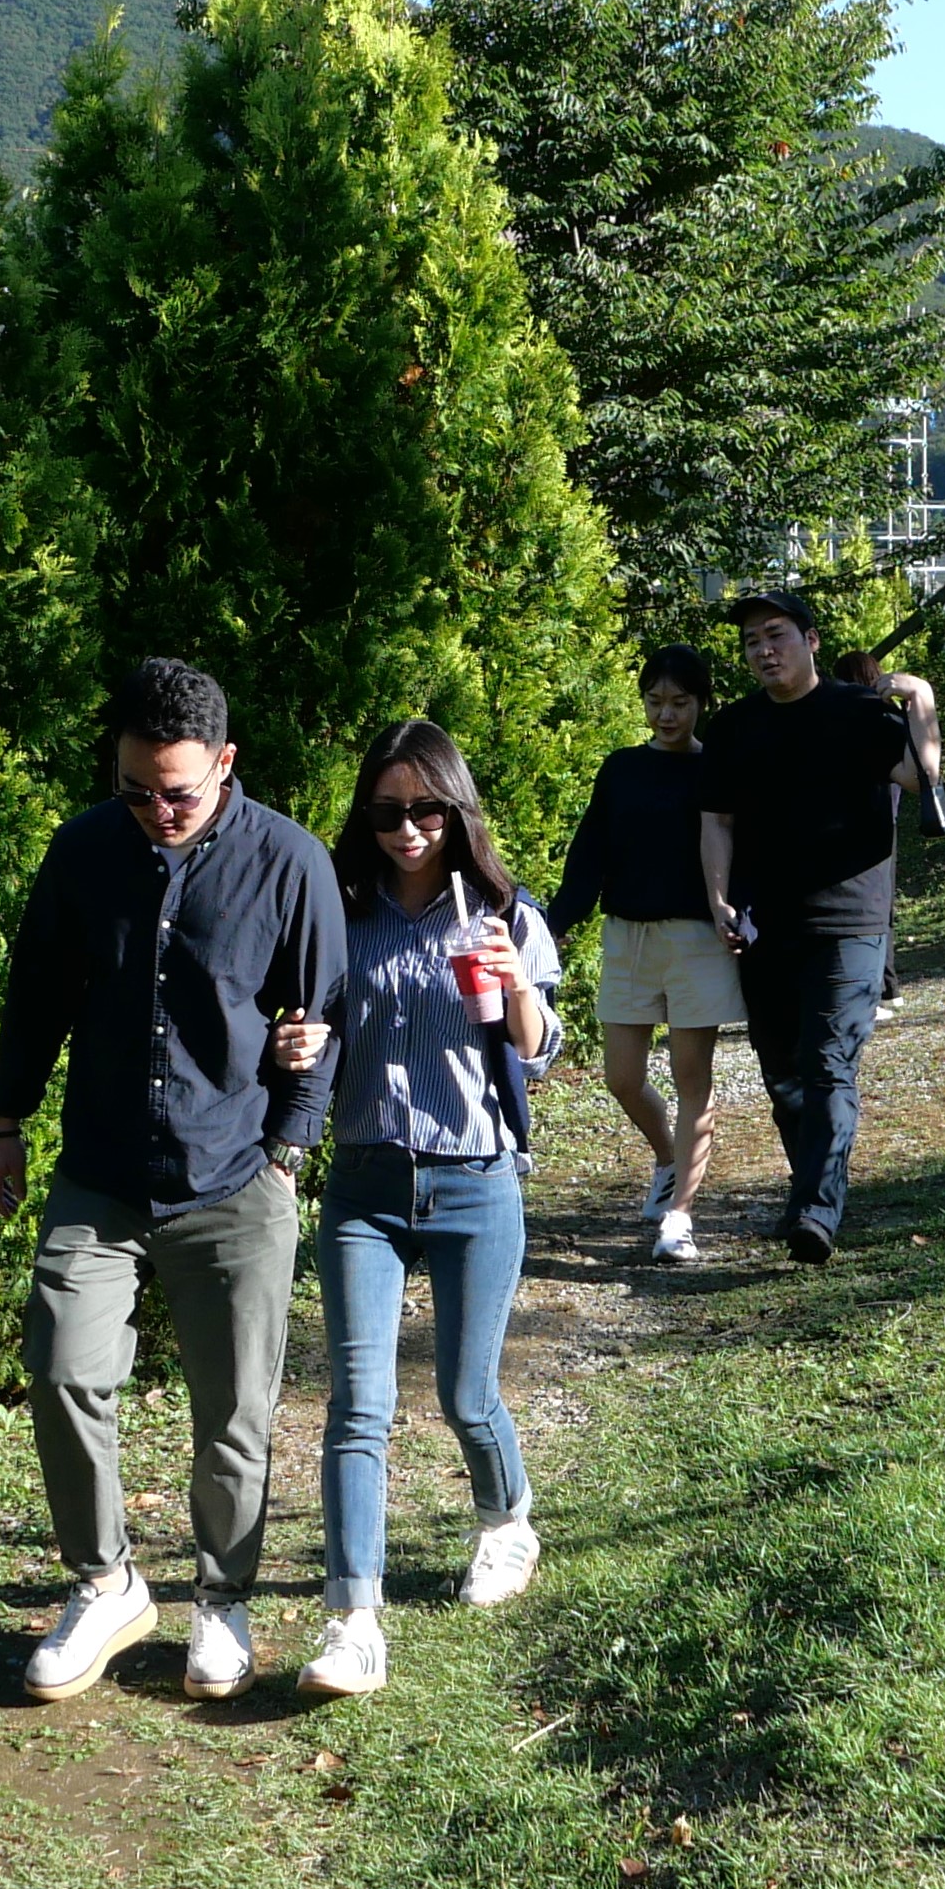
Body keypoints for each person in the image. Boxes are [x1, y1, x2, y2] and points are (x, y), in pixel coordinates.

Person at [0, 657, 343, 1704]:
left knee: (233, 1409)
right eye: (135, 789)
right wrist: (6, 1120)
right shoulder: (83, 849)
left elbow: (324, 1014)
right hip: (99, 1172)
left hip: (234, 1176)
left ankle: (222, 1598)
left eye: (176, 792)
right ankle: (106, 1583)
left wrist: (288, 1149)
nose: (156, 810)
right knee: (61, 1366)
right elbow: (36, 991)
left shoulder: (289, 860)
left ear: (224, 762)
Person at [277, 719, 559, 1699]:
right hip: (364, 1185)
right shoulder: (338, 914)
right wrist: (293, 1046)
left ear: (456, 808)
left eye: (426, 809)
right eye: (387, 812)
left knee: (465, 1395)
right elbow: (306, 1026)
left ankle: (506, 1519)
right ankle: (353, 1622)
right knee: (358, 1404)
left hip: (476, 1179)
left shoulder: (502, 913)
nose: (407, 829)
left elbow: (537, 1052)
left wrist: (513, 986)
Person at [699, 592, 922, 1267]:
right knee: (783, 1076)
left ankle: (817, 1211)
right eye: (751, 642)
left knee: (828, 1063)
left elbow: (922, 777)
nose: (764, 650)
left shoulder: (859, 712)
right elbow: (716, 822)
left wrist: (923, 698)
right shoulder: (735, 726)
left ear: (811, 640)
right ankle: (810, 1194)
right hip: (764, 923)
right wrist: (718, 901)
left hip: (850, 920)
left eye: (776, 635)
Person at [553, 647, 735, 1263]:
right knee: (622, 1077)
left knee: (691, 1077)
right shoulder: (622, 768)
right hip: (627, 936)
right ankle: (668, 1158)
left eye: (680, 702)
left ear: (701, 702)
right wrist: (556, 922)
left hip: (696, 941)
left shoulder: (717, 769)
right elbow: (589, 853)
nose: (666, 715)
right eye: (655, 701)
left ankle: (680, 1215)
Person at [826, 644, 945, 1009]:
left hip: (854, 825)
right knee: (883, 909)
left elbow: (920, 774)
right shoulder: (890, 716)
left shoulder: (853, 719)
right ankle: (887, 989)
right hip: (886, 824)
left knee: (865, 911)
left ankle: (879, 990)